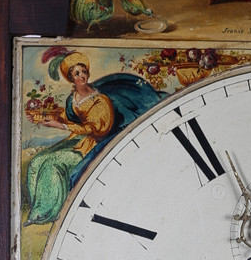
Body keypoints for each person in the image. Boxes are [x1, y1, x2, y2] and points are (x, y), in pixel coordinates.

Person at [25, 49, 161, 224]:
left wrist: (61, 125)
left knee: (53, 164)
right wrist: (47, 119)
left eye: (83, 72)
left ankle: (48, 213)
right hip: (76, 140)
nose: (81, 76)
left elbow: (97, 129)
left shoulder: (100, 100)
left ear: (88, 73)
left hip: (93, 144)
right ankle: (37, 207)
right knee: (37, 161)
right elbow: (68, 117)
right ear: (71, 78)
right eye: (76, 73)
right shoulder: (73, 98)